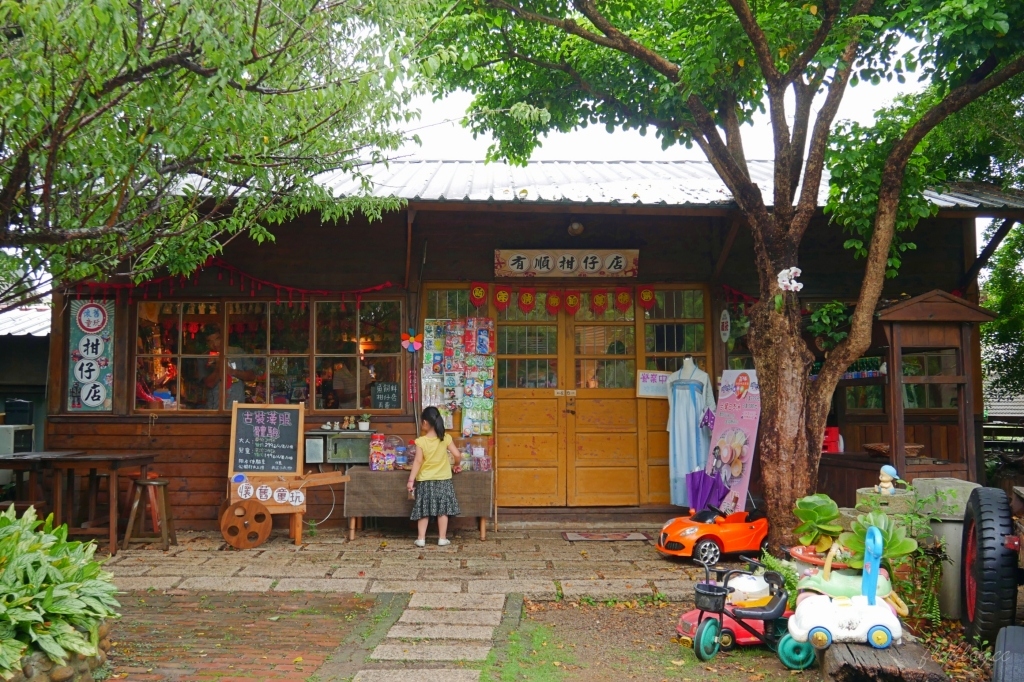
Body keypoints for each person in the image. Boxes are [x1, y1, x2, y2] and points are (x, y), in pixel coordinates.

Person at [407, 406, 462, 547]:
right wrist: (457, 465)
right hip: (443, 479)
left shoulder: (421, 441)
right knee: (442, 510)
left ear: (425, 422)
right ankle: (442, 538)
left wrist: (411, 480)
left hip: (425, 480)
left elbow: (418, 461)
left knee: (424, 509)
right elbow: (457, 454)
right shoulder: (445, 438)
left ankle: (421, 539)